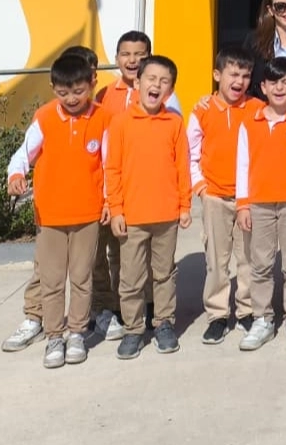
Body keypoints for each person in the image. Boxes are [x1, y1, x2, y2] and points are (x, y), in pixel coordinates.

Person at [3, 53, 109, 368]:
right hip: (50, 215)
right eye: (63, 93)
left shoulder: (103, 118)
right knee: (51, 280)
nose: (71, 99)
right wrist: (16, 175)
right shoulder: (46, 117)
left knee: (81, 277)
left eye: (78, 91)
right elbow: (22, 154)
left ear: (91, 84)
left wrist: (109, 201)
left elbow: (110, 164)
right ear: (53, 88)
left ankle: (76, 333)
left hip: (88, 214)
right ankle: (53, 336)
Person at [92, 31, 181, 342]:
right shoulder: (107, 97)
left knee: (159, 267)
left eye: (139, 54)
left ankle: (158, 314)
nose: (132, 60)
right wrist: (112, 202)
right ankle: (123, 315)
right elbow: (109, 157)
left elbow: (178, 157)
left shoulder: (170, 110)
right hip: (122, 199)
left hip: (159, 206)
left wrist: (182, 204)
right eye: (126, 54)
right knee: (121, 261)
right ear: (118, 58)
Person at [106, 55, 192, 360]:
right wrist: (116, 209)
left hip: (166, 216)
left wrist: (184, 205)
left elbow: (182, 166)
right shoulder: (120, 123)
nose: (156, 85)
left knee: (164, 274)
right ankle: (133, 328)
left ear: (170, 90)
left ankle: (163, 323)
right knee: (131, 276)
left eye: (164, 81)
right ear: (137, 82)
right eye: (151, 78)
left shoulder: (174, 123)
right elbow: (112, 169)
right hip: (132, 217)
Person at [235, 56, 286, 352]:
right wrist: (243, 204)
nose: (279, 88)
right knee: (260, 264)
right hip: (258, 204)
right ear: (263, 87)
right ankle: (263, 319)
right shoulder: (250, 122)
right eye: (273, 82)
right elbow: (242, 164)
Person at [188, 46, 261, 346]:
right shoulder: (202, 110)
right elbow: (191, 153)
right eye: (233, 74)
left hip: (248, 199)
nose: (239, 81)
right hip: (215, 196)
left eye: (245, 75)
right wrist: (201, 187)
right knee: (217, 261)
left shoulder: (258, 108)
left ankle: (247, 310)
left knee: (248, 257)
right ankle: (217, 314)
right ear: (217, 75)